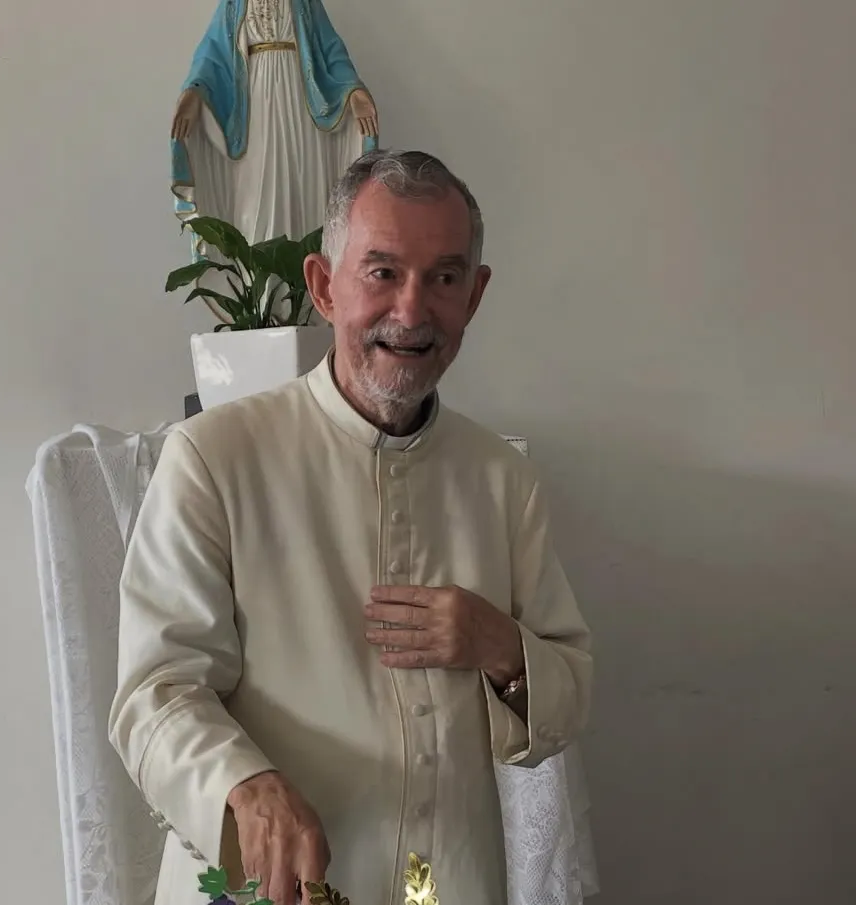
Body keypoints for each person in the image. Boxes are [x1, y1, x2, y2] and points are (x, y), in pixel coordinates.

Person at [110, 149, 593, 905]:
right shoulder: (214, 457)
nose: (412, 310)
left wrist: (499, 645)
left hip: (439, 886)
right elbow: (156, 693)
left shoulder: (502, 480)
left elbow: (569, 694)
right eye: (382, 271)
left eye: (444, 277)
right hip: (268, 889)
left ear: (475, 295)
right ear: (323, 286)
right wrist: (246, 784)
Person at [170, 0, 379, 265]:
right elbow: (211, 57)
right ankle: (257, 291)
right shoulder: (234, 5)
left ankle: (304, 291)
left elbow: (331, 51)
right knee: (256, 189)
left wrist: (353, 91)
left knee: (302, 184)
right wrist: (194, 93)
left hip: (300, 106)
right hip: (254, 107)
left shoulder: (305, 3)